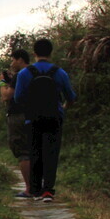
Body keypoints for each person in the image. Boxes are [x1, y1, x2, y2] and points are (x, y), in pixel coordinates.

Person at [14, 39, 77, 203]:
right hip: (54, 118)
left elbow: (18, 97)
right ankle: (48, 190)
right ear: (51, 53)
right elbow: (71, 96)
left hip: (32, 119)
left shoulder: (25, 73)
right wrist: (63, 107)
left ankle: (35, 190)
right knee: (51, 154)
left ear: (34, 53)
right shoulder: (60, 72)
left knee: (35, 153)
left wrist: (31, 106)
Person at [0, 49, 32, 198]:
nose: (12, 63)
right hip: (34, 115)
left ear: (20, 60)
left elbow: (6, 96)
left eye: (13, 60)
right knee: (33, 150)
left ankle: (29, 189)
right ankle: (39, 186)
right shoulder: (34, 72)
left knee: (23, 152)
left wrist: (1, 82)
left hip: (18, 116)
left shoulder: (20, 75)